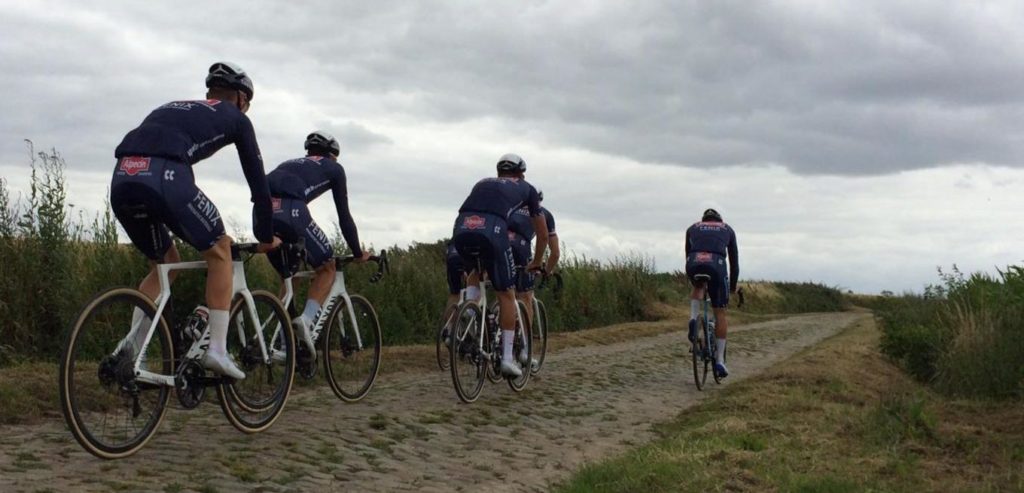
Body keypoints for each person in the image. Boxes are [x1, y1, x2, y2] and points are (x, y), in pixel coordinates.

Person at [110, 62, 280, 380]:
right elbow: (259, 186)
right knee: (220, 251)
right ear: (241, 99)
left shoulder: (172, 106)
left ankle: (129, 353)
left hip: (122, 176)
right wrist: (266, 234)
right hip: (166, 176)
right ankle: (216, 350)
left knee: (164, 265)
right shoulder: (238, 120)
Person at [263, 131, 370, 361]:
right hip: (292, 211)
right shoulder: (334, 168)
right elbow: (344, 217)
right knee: (327, 267)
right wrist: (358, 252)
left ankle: (283, 344)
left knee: (291, 278)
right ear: (332, 155)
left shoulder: (289, 163)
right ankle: (307, 320)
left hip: (262, 214)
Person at [451, 153, 548, 377]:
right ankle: (506, 358)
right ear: (521, 173)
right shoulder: (528, 188)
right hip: (492, 229)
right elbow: (542, 236)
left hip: (462, 228)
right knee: (507, 294)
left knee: (476, 269)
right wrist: (535, 262)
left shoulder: (482, 182)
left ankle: (470, 310)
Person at [507, 189, 559, 368]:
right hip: (521, 248)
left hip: (500, 246)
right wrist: (545, 270)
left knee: (505, 294)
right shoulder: (544, 214)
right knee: (526, 297)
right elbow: (555, 252)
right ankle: (524, 350)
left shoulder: (510, 208)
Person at [685, 208, 738, 378]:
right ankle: (720, 361)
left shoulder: (692, 227)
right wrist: (732, 287)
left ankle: (693, 318)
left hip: (694, 262)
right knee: (720, 313)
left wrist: (693, 279)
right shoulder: (727, 229)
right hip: (717, 264)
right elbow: (734, 263)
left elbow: (687, 252)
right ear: (719, 220)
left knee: (698, 286)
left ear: (704, 220)